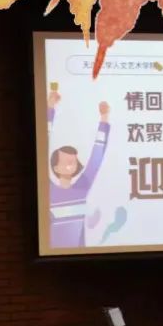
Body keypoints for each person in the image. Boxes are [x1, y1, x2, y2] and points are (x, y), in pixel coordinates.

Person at [47, 88, 111, 248]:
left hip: (77, 251)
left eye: (73, 161)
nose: (71, 164)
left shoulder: (82, 187)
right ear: (56, 167)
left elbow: (96, 158)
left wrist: (104, 119)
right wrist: (50, 108)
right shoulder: (48, 189)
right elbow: (41, 143)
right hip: (53, 252)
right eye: (66, 161)